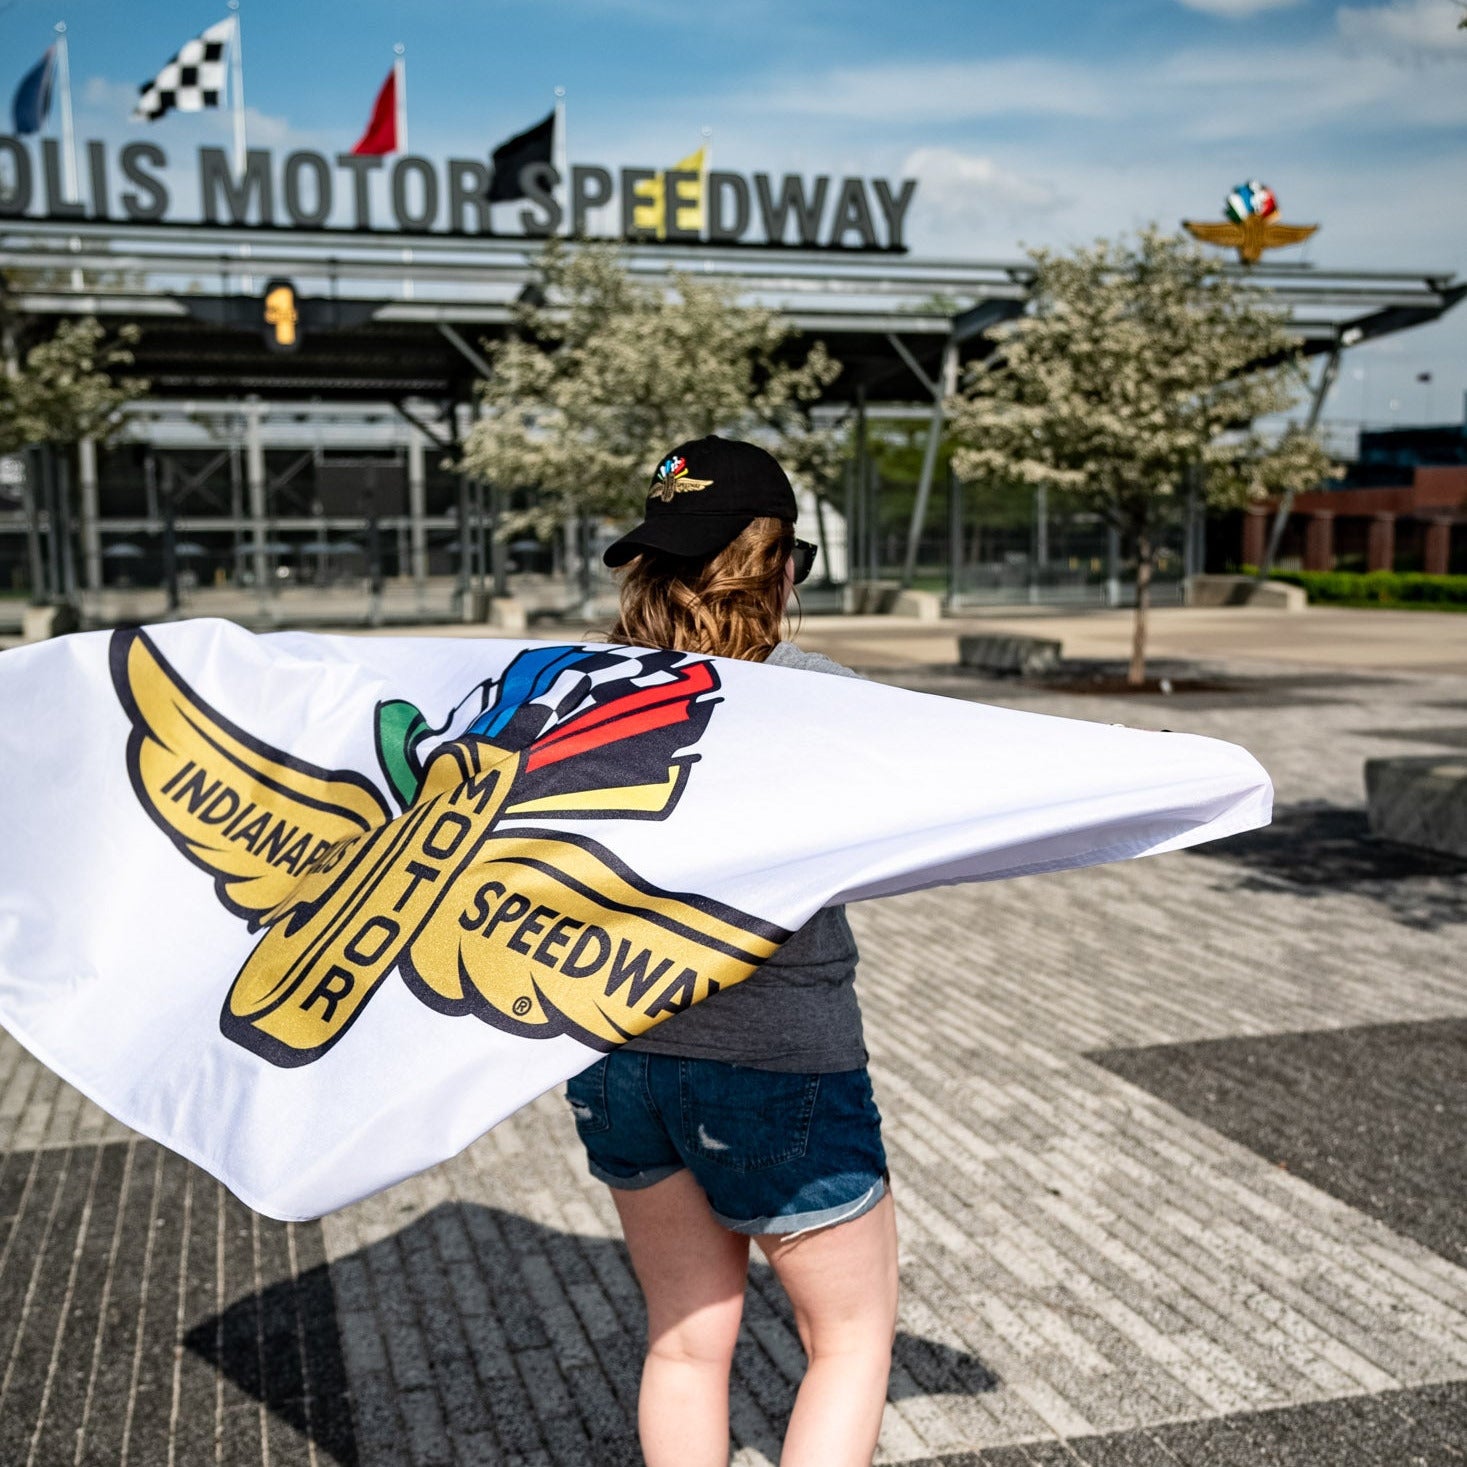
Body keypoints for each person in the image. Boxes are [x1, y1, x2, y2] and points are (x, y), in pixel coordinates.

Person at [564, 436, 898, 1467]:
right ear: (781, 565)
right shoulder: (818, 695)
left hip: (615, 1055)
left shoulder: (575, 690)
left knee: (682, 1344)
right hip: (778, 1063)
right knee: (848, 1340)